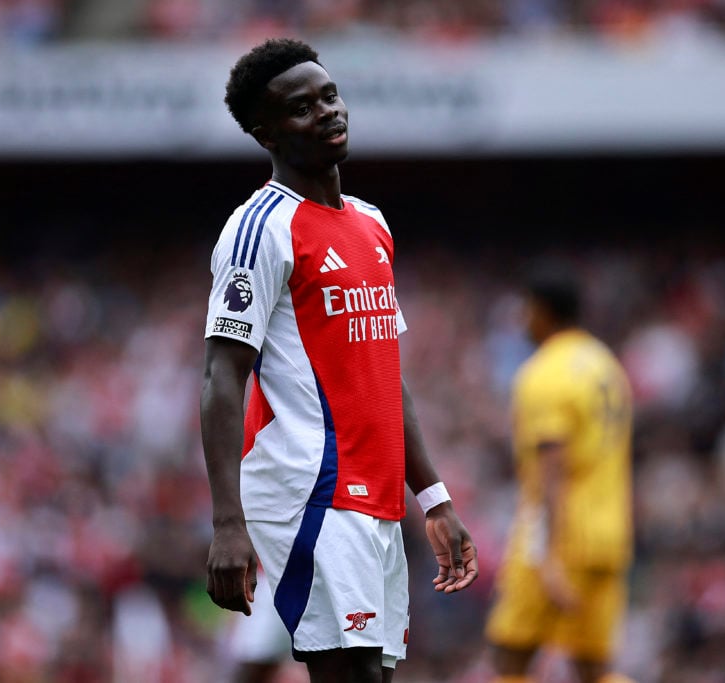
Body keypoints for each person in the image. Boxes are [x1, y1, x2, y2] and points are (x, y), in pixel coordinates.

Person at [201, 37, 478, 683]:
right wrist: (225, 523)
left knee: (374, 677)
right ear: (266, 133)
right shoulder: (258, 228)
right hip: (310, 490)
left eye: (329, 95)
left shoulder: (371, 223)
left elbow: (386, 373)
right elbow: (221, 377)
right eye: (302, 108)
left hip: (375, 497)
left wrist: (432, 497)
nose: (327, 111)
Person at [484, 259, 636, 683]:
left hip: (562, 536)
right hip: (609, 536)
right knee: (593, 668)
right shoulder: (606, 365)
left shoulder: (544, 374)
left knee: (509, 655)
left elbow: (553, 468)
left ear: (540, 310)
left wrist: (548, 554)